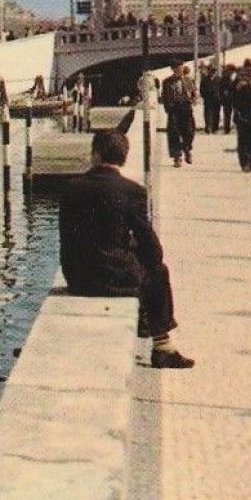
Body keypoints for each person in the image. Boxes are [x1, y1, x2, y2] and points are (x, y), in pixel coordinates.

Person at [59, 128, 194, 369]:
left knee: (130, 257)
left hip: (77, 277)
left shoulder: (71, 187)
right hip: (110, 278)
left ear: (96, 154)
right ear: (123, 157)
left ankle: (146, 323)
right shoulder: (132, 191)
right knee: (158, 271)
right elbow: (151, 247)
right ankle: (162, 346)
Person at [160, 62, 197, 167]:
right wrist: (167, 108)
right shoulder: (167, 81)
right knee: (173, 132)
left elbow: (194, 92)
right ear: (173, 69)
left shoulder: (188, 80)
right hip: (174, 108)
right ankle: (177, 157)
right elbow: (164, 96)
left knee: (190, 131)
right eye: (178, 68)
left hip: (186, 108)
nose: (180, 70)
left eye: (181, 68)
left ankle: (186, 148)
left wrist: (193, 99)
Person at [199, 63, 222, 135]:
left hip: (217, 99)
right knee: (207, 113)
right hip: (208, 99)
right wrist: (204, 96)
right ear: (208, 71)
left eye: (214, 71)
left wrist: (221, 96)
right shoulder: (204, 79)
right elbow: (201, 89)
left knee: (216, 113)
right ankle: (208, 127)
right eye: (211, 71)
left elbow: (222, 89)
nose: (213, 72)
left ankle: (215, 128)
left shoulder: (219, 79)